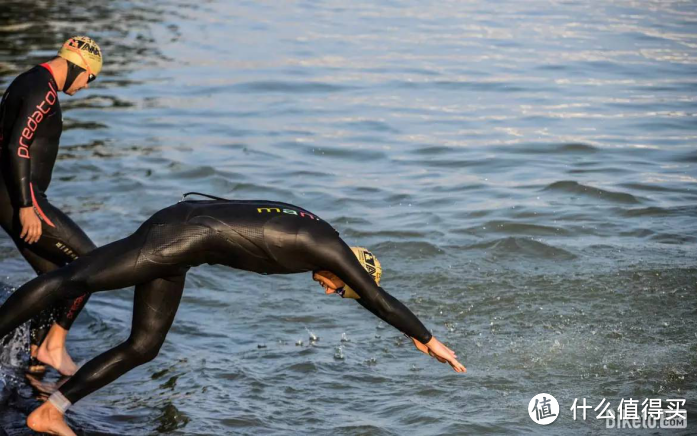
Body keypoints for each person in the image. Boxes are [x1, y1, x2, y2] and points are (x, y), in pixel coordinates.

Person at [0, 194, 466, 436]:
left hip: (184, 240)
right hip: (177, 236)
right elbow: (378, 300)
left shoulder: (317, 231)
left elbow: (240, 210)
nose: (333, 292)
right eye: (342, 290)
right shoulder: (329, 248)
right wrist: (426, 339)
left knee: (144, 346)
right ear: (351, 271)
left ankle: (50, 411)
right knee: (72, 278)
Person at [0, 36, 103, 376]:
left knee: (54, 274)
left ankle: (34, 358)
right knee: (91, 263)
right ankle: (53, 346)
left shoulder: (31, 81)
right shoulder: (42, 90)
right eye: (90, 77)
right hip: (20, 196)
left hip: (10, 195)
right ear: (79, 66)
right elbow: (18, 146)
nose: (87, 85)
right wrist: (26, 205)